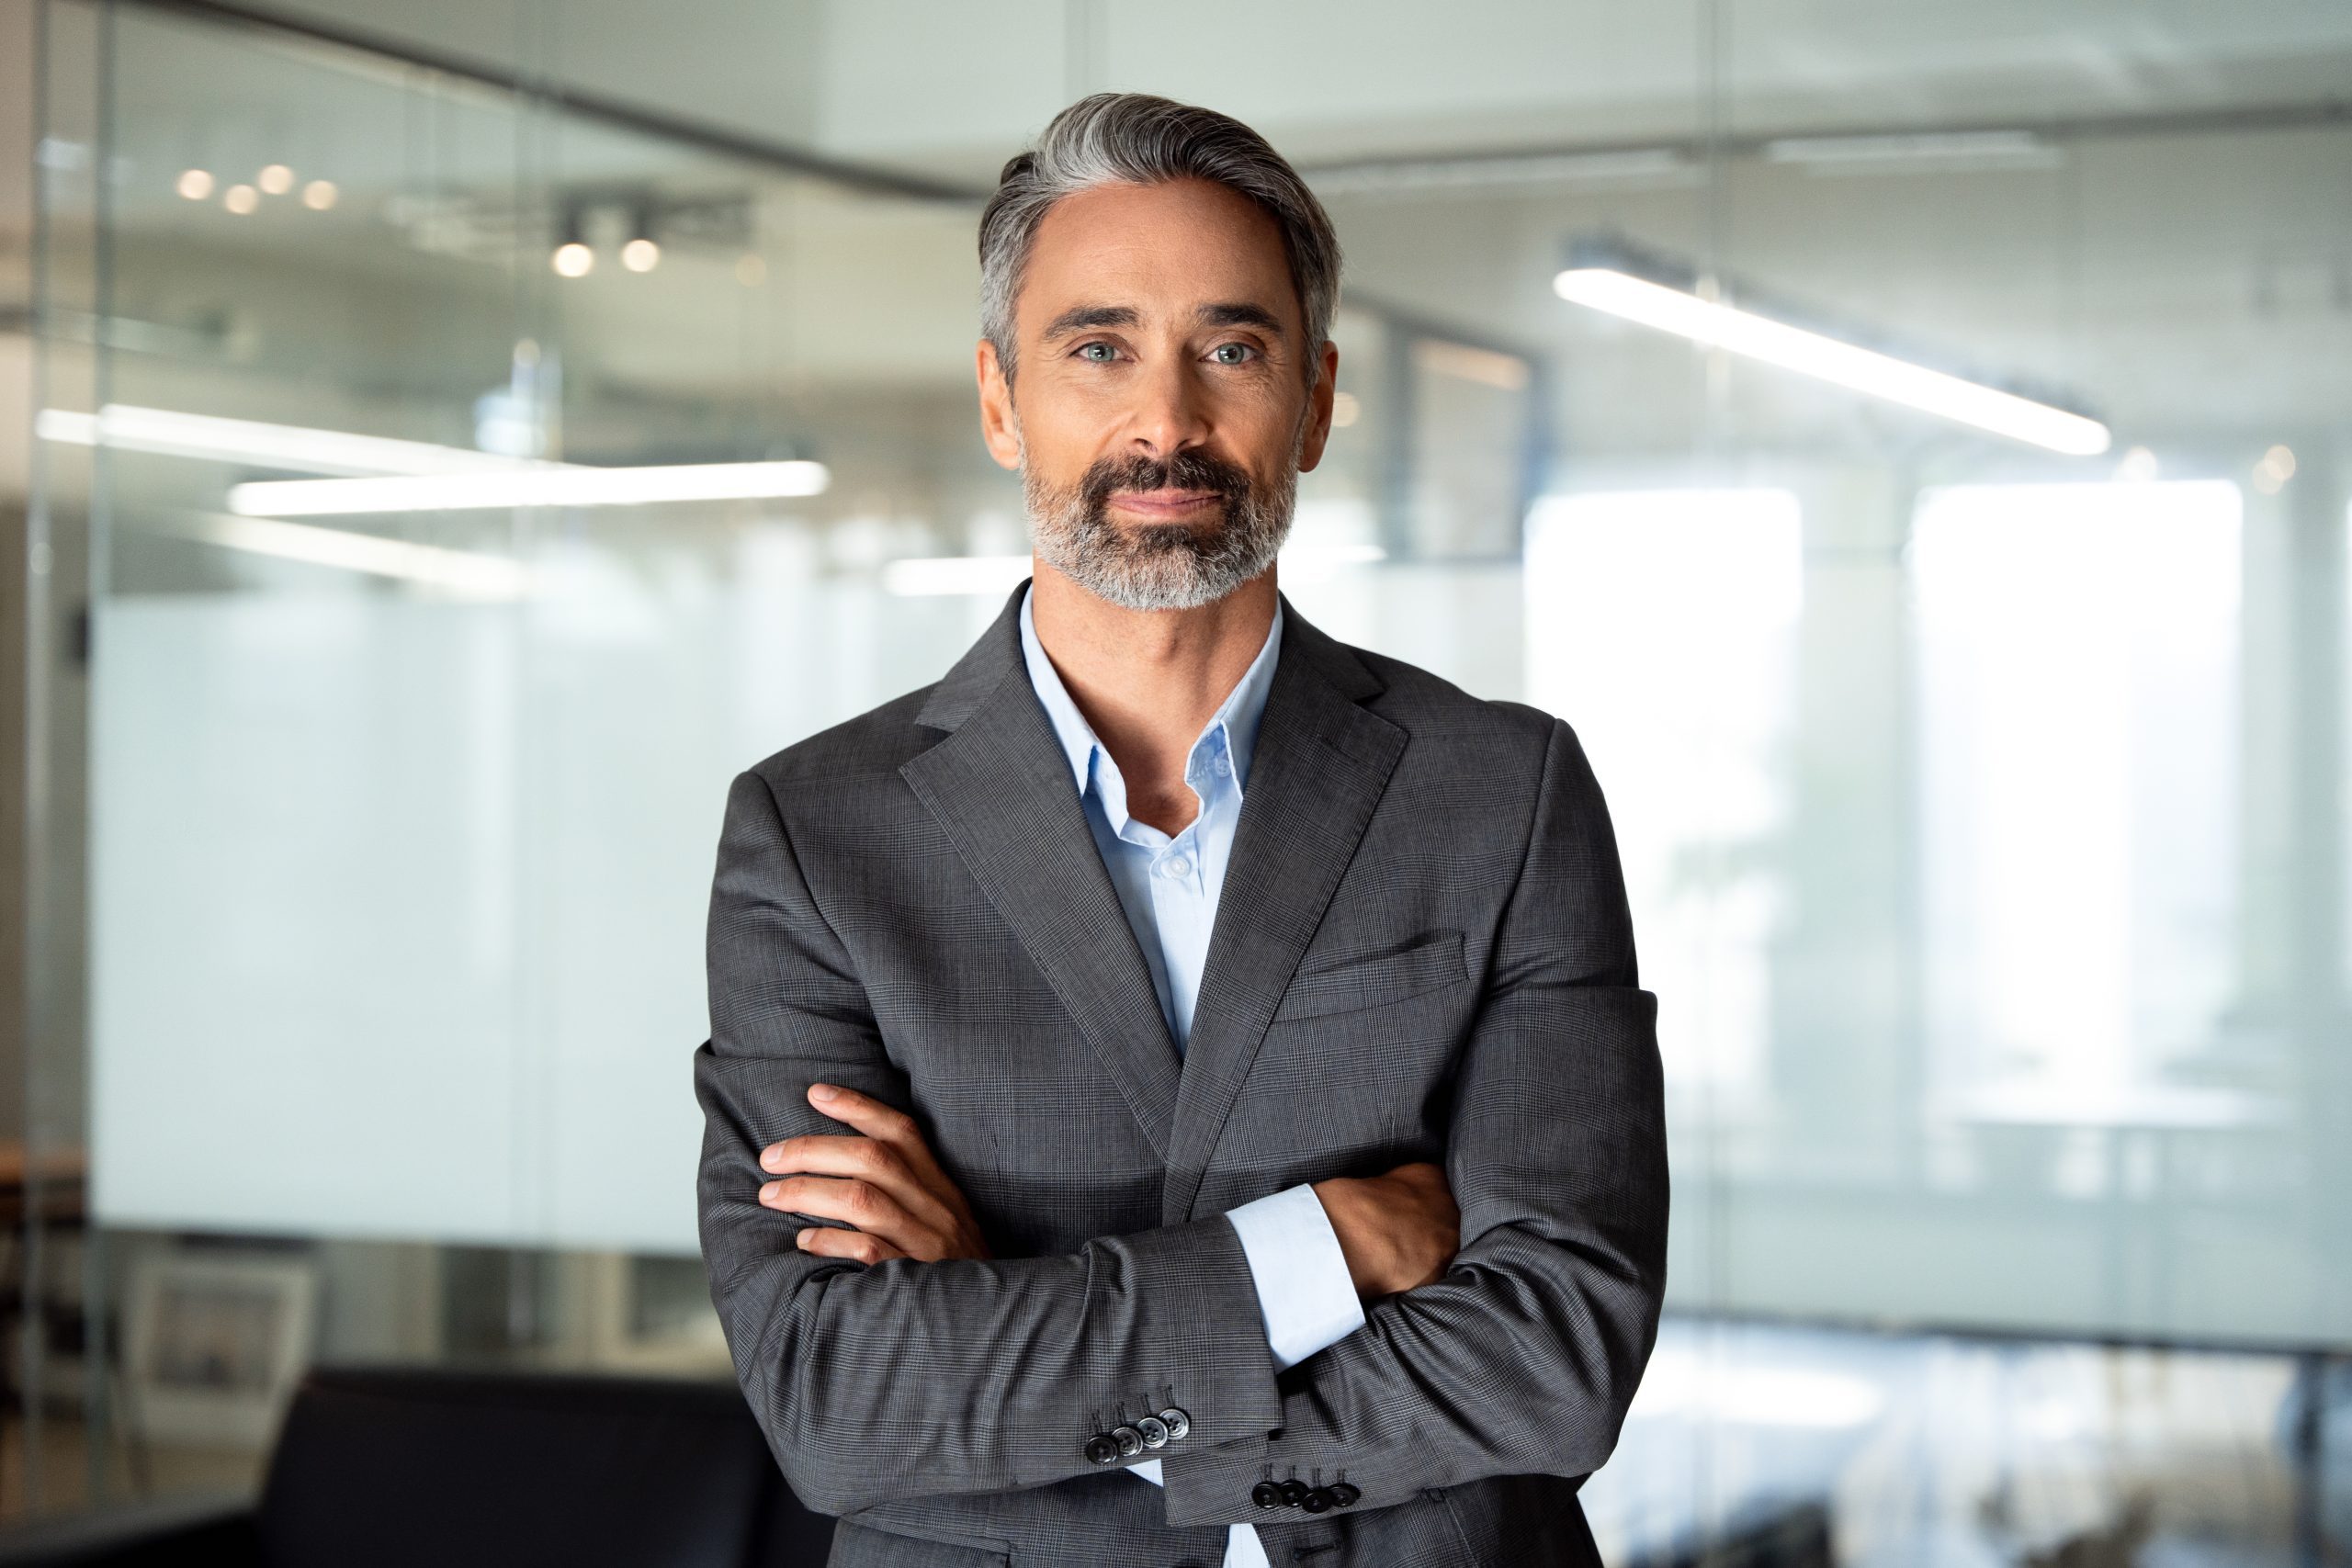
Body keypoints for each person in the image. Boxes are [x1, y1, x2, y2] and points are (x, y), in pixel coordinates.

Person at [695, 92, 1668, 1568]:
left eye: (1232, 347)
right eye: (1099, 348)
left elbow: (1559, 1351)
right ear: (1001, 397)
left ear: (1318, 398)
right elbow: (842, 1399)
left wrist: (1019, 1360)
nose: (1168, 419)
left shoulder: (1504, 793)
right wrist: (1323, 1247)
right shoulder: (818, 837)